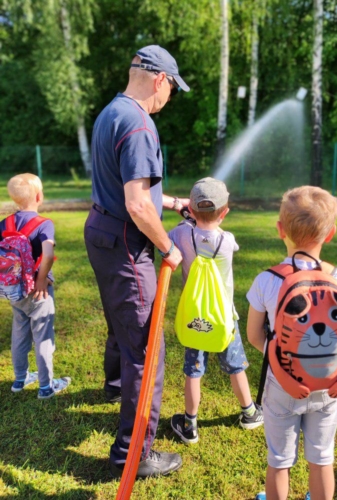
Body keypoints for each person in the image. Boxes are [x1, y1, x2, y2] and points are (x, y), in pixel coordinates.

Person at [84, 45, 190, 479]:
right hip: (128, 243)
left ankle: (115, 389)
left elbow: (131, 188)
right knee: (146, 351)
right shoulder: (140, 124)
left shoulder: (112, 111)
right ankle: (135, 453)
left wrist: (172, 201)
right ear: (159, 79)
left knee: (120, 322)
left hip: (101, 232)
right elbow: (137, 206)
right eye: (171, 89)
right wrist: (168, 247)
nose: (169, 99)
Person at [247, 186, 337, 500]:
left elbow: (254, 335)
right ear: (331, 233)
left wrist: (284, 362)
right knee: (322, 457)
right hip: (328, 383)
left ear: (280, 230)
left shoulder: (267, 280)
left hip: (281, 384)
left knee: (279, 459)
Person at [169, 177, 263, 444]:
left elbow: (173, 237)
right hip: (224, 319)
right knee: (236, 367)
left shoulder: (180, 233)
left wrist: (186, 219)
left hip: (195, 319)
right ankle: (249, 413)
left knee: (193, 372)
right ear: (225, 213)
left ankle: (190, 425)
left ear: (191, 209)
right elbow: (218, 237)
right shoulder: (227, 240)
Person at [0, 173, 71, 399]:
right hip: (38, 291)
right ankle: (46, 387)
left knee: (20, 334)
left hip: (14, 291)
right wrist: (41, 279)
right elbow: (48, 253)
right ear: (39, 196)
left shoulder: (5, 223)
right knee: (43, 337)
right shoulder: (43, 224)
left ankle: (20, 379)